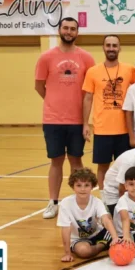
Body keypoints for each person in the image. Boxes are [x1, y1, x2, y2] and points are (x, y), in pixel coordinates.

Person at [83, 34, 135, 189]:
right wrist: (85, 124)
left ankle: (127, 197)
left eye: (114, 45)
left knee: (127, 167)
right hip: (102, 128)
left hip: (125, 130)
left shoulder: (130, 70)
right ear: (103, 48)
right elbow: (87, 98)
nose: (111, 48)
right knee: (103, 166)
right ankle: (105, 196)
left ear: (119, 48)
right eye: (108, 45)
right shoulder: (92, 71)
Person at [35, 17, 95, 219]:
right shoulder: (46, 57)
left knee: (76, 160)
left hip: (77, 120)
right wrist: (53, 101)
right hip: (53, 120)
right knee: (56, 161)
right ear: (59, 30)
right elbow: (39, 86)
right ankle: (53, 202)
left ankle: (81, 203)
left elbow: (90, 90)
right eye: (66, 28)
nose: (69, 31)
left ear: (77, 32)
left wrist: (85, 120)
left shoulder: (86, 58)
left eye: (72, 29)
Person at [57, 168, 119, 262]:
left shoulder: (97, 202)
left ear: (92, 186)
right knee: (83, 251)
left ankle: (109, 241)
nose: (82, 189)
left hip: (98, 234)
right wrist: (67, 253)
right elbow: (66, 229)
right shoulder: (66, 203)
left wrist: (115, 238)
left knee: (111, 220)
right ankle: (102, 245)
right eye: (79, 185)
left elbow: (106, 219)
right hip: (78, 239)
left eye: (86, 185)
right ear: (73, 186)